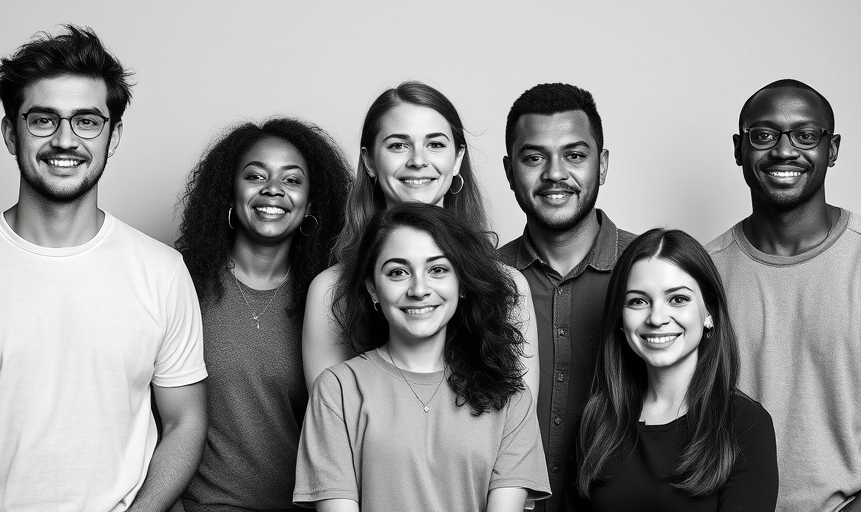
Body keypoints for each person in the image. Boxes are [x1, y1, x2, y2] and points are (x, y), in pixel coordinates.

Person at [0, 25, 207, 510]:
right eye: (42, 120)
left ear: (112, 135)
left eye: (86, 121)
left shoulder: (161, 271)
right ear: (10, 134)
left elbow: (186, 422)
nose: (64, 140)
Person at [294, 203, 551, 511]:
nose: (419, 289)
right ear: (373, 289)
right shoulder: (335, 390)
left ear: (462, 283)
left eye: (438, 270)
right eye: (398, 272)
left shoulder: (512, 398)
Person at [303, 81, 539, 398]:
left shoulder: (508, 286)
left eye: (436, 145)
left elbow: (518, 425)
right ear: (370, 160)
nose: (418, 160)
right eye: (398, 145)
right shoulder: (330, 292)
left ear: (457, 159)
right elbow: (331, 423)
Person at [706, 79, 861, 512]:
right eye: (764, 135)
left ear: (831, 149)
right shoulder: (701, 274)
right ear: (740, 148)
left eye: (805, 135)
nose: (784, 150)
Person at [175, 119, 352, 511]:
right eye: (256, 176)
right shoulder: (182, 283)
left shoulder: (328, 300)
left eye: (292, 181)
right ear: (230, 192)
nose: (273, 189)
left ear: (311, 204)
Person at [497, 82, 634, 511]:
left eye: (574, 155)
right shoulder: (478, 282)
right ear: (509, 171)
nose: (555, 173)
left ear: (603, 164)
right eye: (534, 157)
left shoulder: (654, 273)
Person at [574, 228, 778, 511]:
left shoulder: (745, 424)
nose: (657, 318)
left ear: (709, 312)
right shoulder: (596, 420)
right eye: (638, 301)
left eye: (678, 299)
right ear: (620, 319)